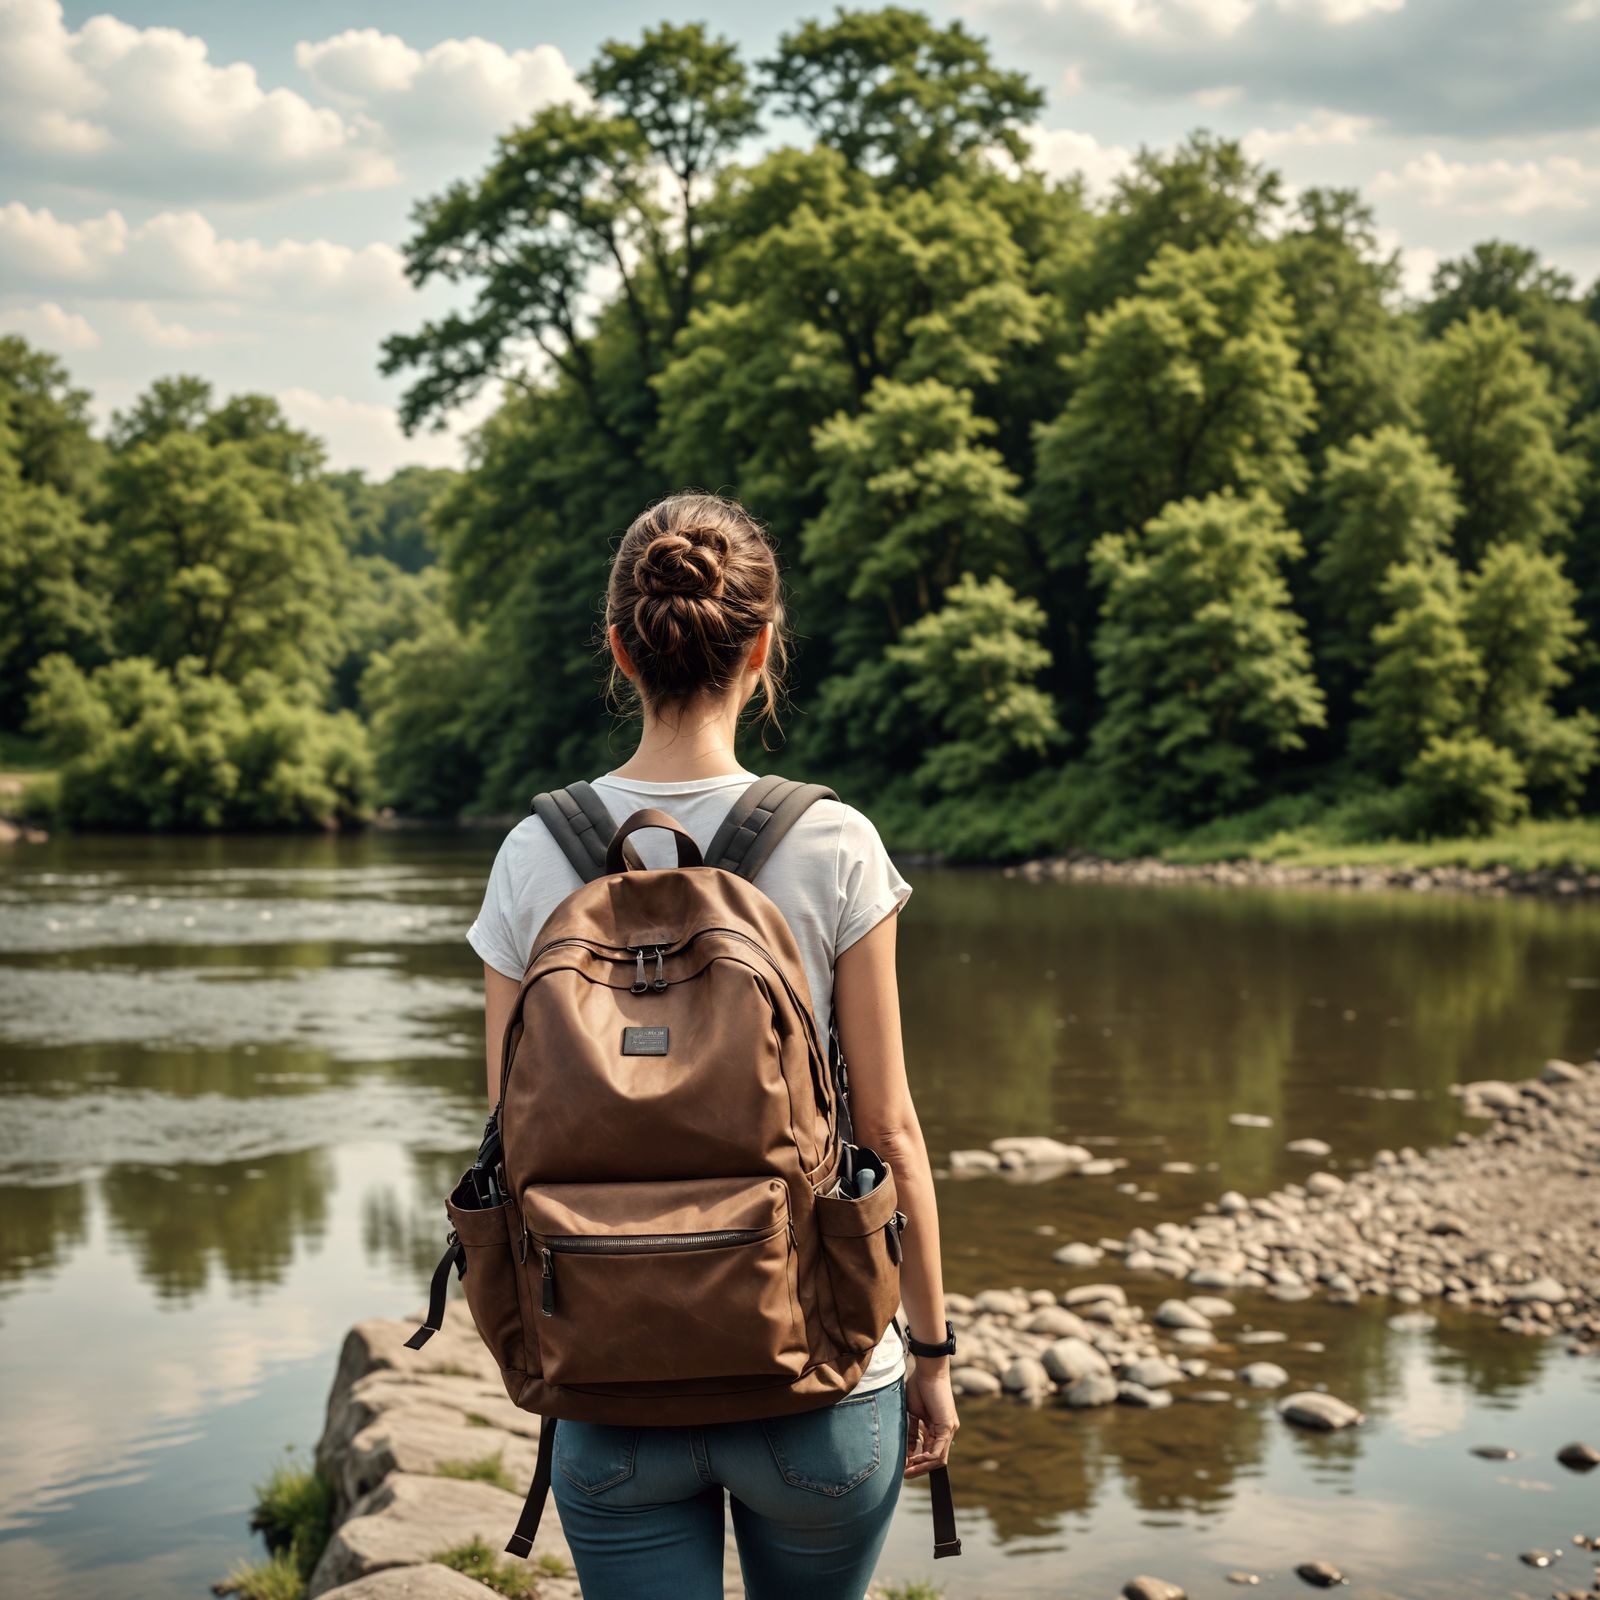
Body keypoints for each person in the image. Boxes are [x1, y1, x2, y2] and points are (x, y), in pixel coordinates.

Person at [464, 491, 958, 1599]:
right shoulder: (833, 841)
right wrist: (930, 1355)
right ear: (764, 648)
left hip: (606, 1375)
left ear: (618, 647)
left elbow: (505, 1127)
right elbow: (888, 1129)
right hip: (820, 1384)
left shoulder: (532, 853)